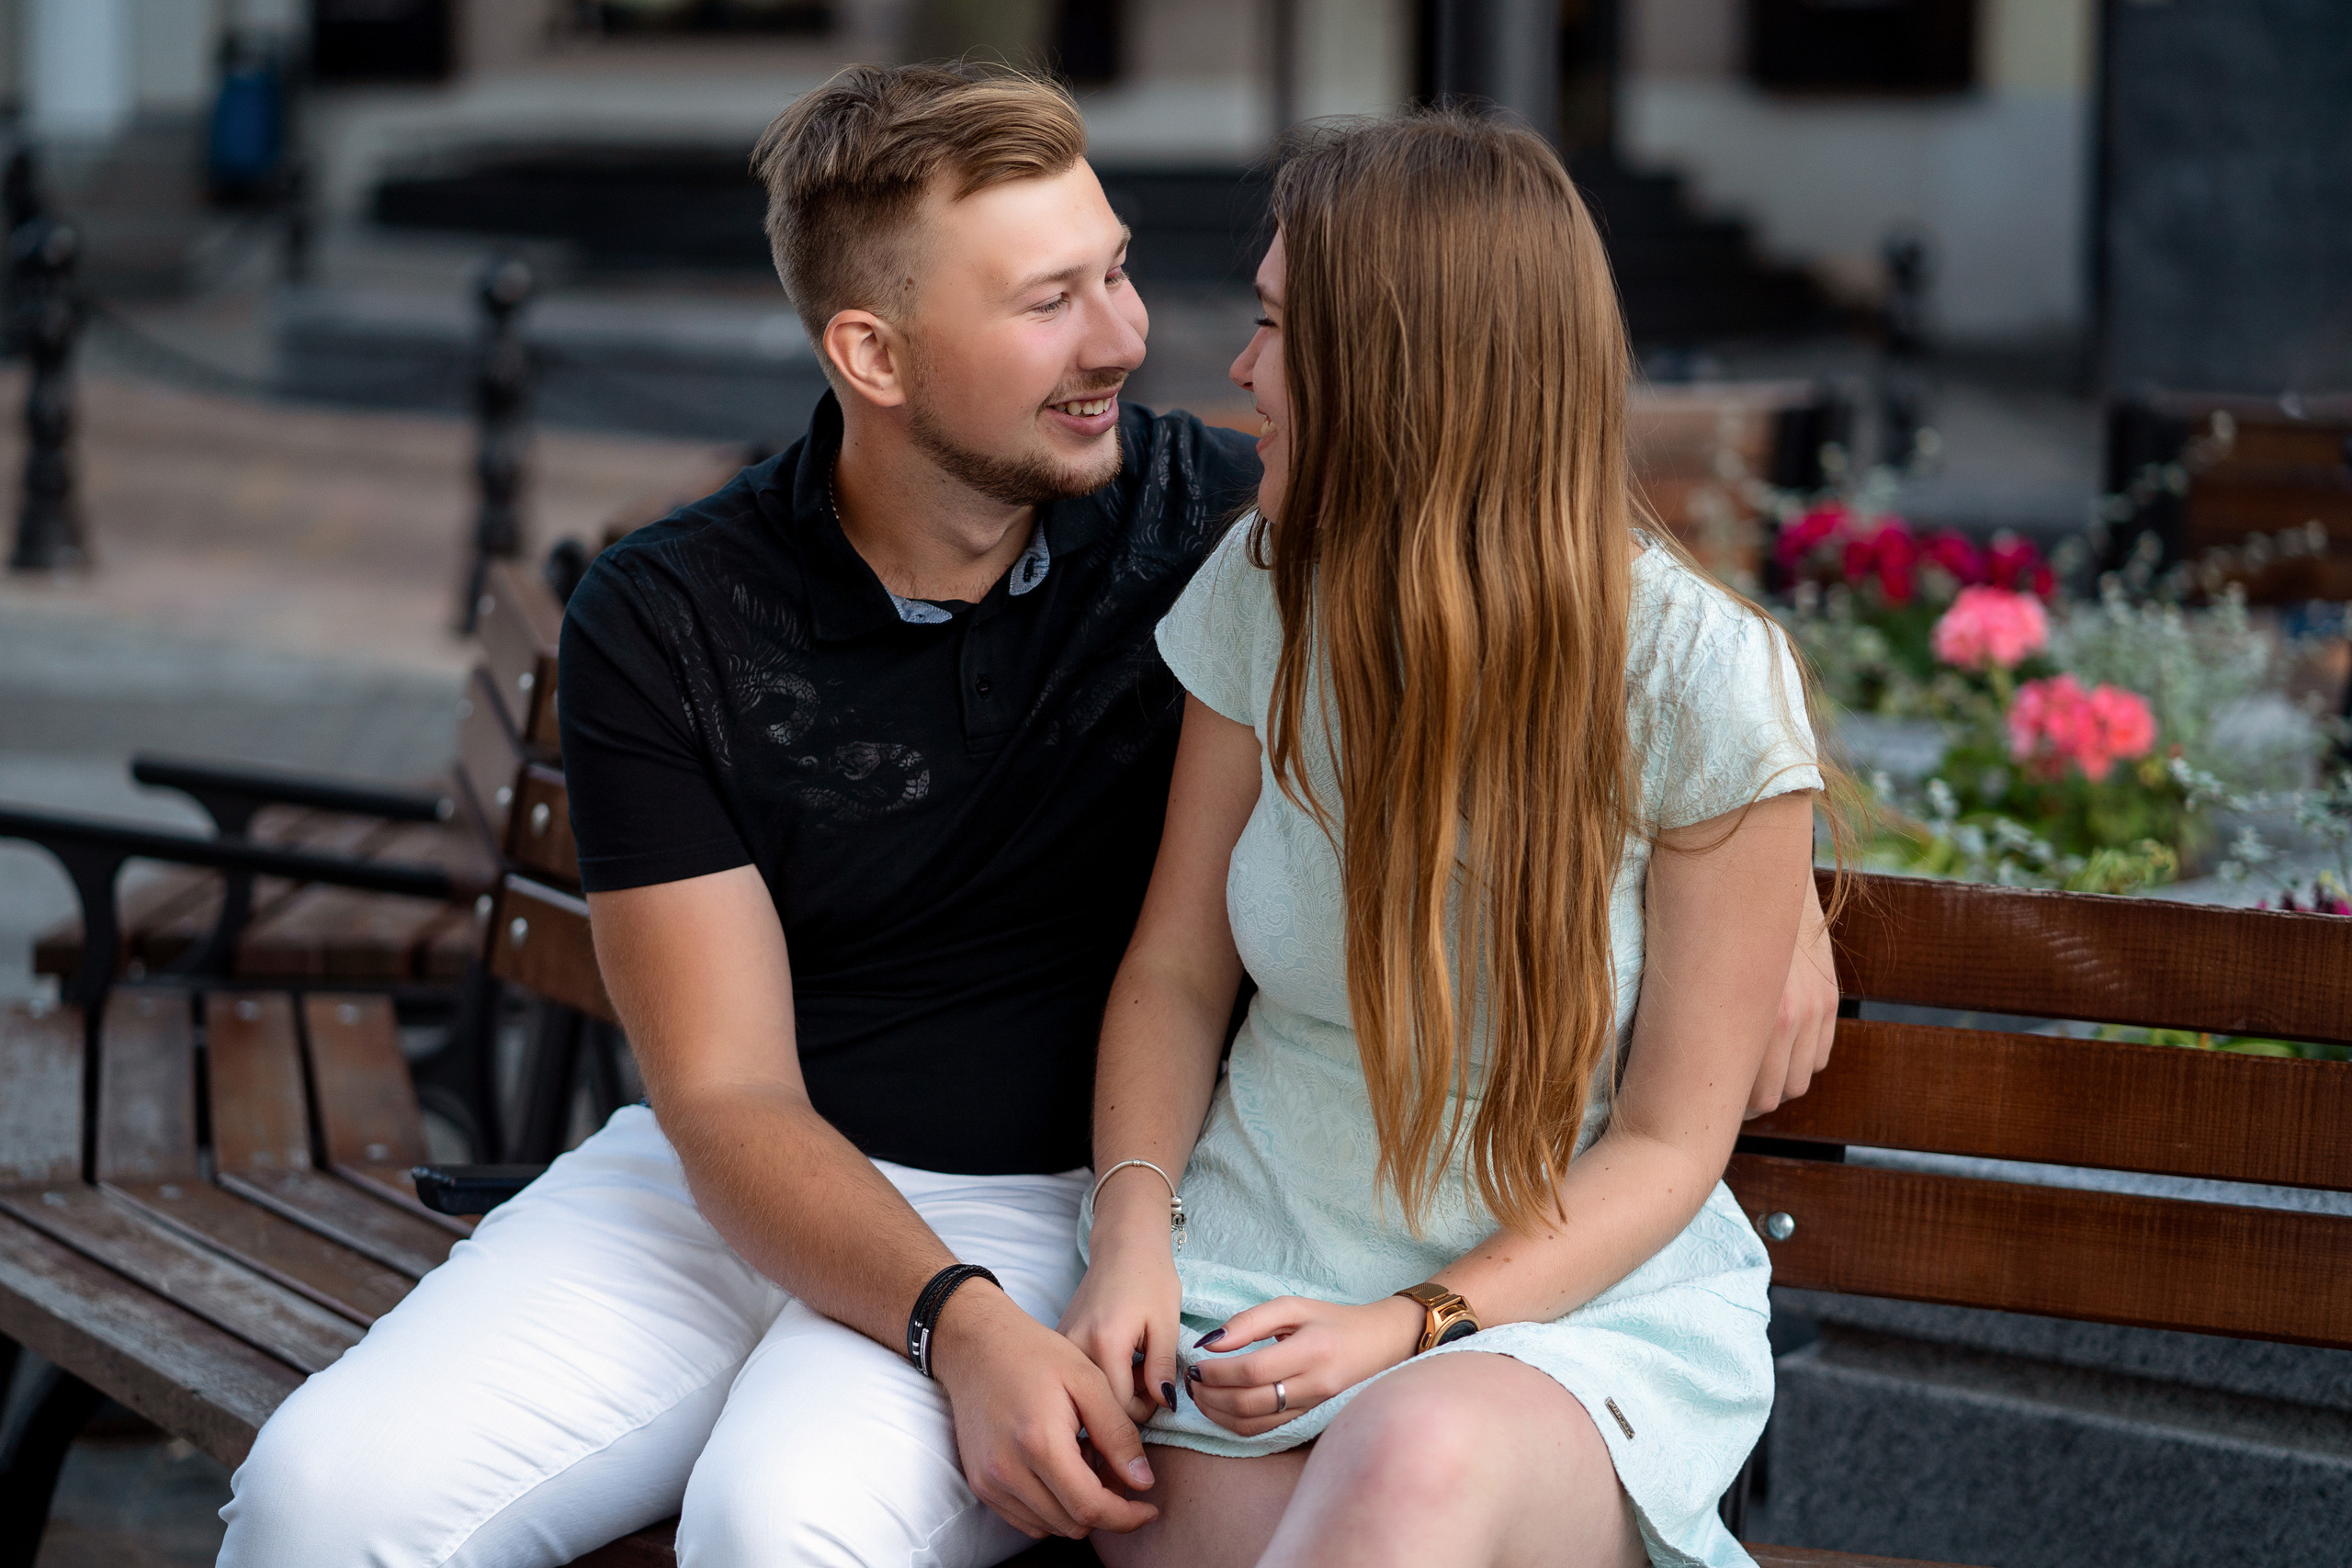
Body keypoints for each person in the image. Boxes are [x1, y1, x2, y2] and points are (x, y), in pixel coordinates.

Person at [218, 69, 1836, 1567]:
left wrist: (1793, 899)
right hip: (745, 1187)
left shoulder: (1219, 517)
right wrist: (964, 1323)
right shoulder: (676, 616)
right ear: (875, 355)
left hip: (1045, 1199)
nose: (1133, 339)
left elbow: (1567, 613)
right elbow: (725, 1095)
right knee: (318, 1497)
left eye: (1116, 272)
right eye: (1051, 301)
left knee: (784, 1527)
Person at [1062, 112, 1834, 1568]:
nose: (1241, 370)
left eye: (1277, 328)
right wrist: (1131, 1241)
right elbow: (1173, 969)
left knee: (1409, 1463)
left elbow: (1670, 1141)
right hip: (1253, 1273)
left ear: (1397, 371)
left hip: (1570, 1310)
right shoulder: (1265, 588)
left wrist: (1409, 1328)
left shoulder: (1696, 680)